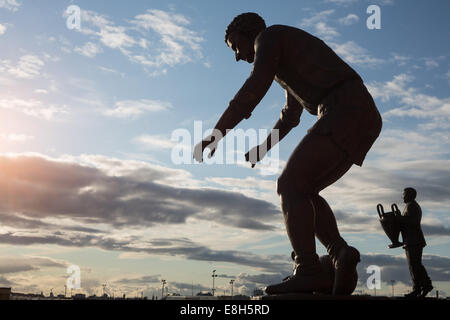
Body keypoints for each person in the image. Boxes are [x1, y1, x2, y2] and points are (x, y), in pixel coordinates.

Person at [193, 12, 382, 295]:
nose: (236, 56)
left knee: (290, 185)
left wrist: (216, 133)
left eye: (235, 47)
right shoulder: (285, 57)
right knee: (304, 191)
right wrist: (262, 148)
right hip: (358, 113)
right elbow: (290, 116)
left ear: (248, 34)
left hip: (344, 108)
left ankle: (308, 269)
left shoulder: (268, 38)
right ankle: (339, 253)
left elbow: (254, 88)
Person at [398, 188, 433, 298]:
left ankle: (424, 286)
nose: (402, 197)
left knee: (415, 265)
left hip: (414, 240)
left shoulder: (412, 206)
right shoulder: (409, 205)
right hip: (411, 240)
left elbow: (413, 221)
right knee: (413, 266)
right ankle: (419, 288)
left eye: (404, 195)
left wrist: (400, 218)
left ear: (410, 195)